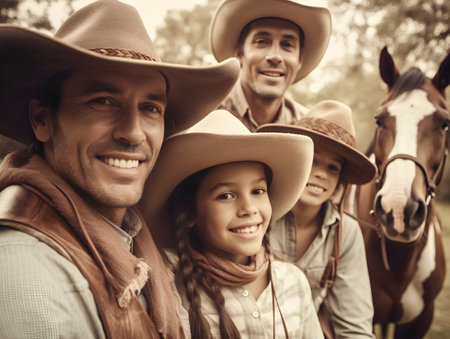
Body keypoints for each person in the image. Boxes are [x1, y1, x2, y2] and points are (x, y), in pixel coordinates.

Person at [0, 1, 240, 338]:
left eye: (150, 107)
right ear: (42, 119)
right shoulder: (25, 267)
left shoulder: (134, 237)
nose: (133, 132)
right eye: (102, 101)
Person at [139, 109, 323, 338]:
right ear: (189, 211)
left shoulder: (293, 281)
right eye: (226, 196)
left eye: (257, 191)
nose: (249, 208)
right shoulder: (167, 285)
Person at [257, 100, 377, 338]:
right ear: (294, 158)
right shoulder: (260, 214)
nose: (322, 173)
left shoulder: (345, 232)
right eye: (313, 160)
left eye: (333, 168)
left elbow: (355, 324)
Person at [209, 0, 332, 131]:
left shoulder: (307, 131)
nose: (275, 56)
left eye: (287, 44)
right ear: (240, 53)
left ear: (300, 58)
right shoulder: (204, 115)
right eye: (262, 41)